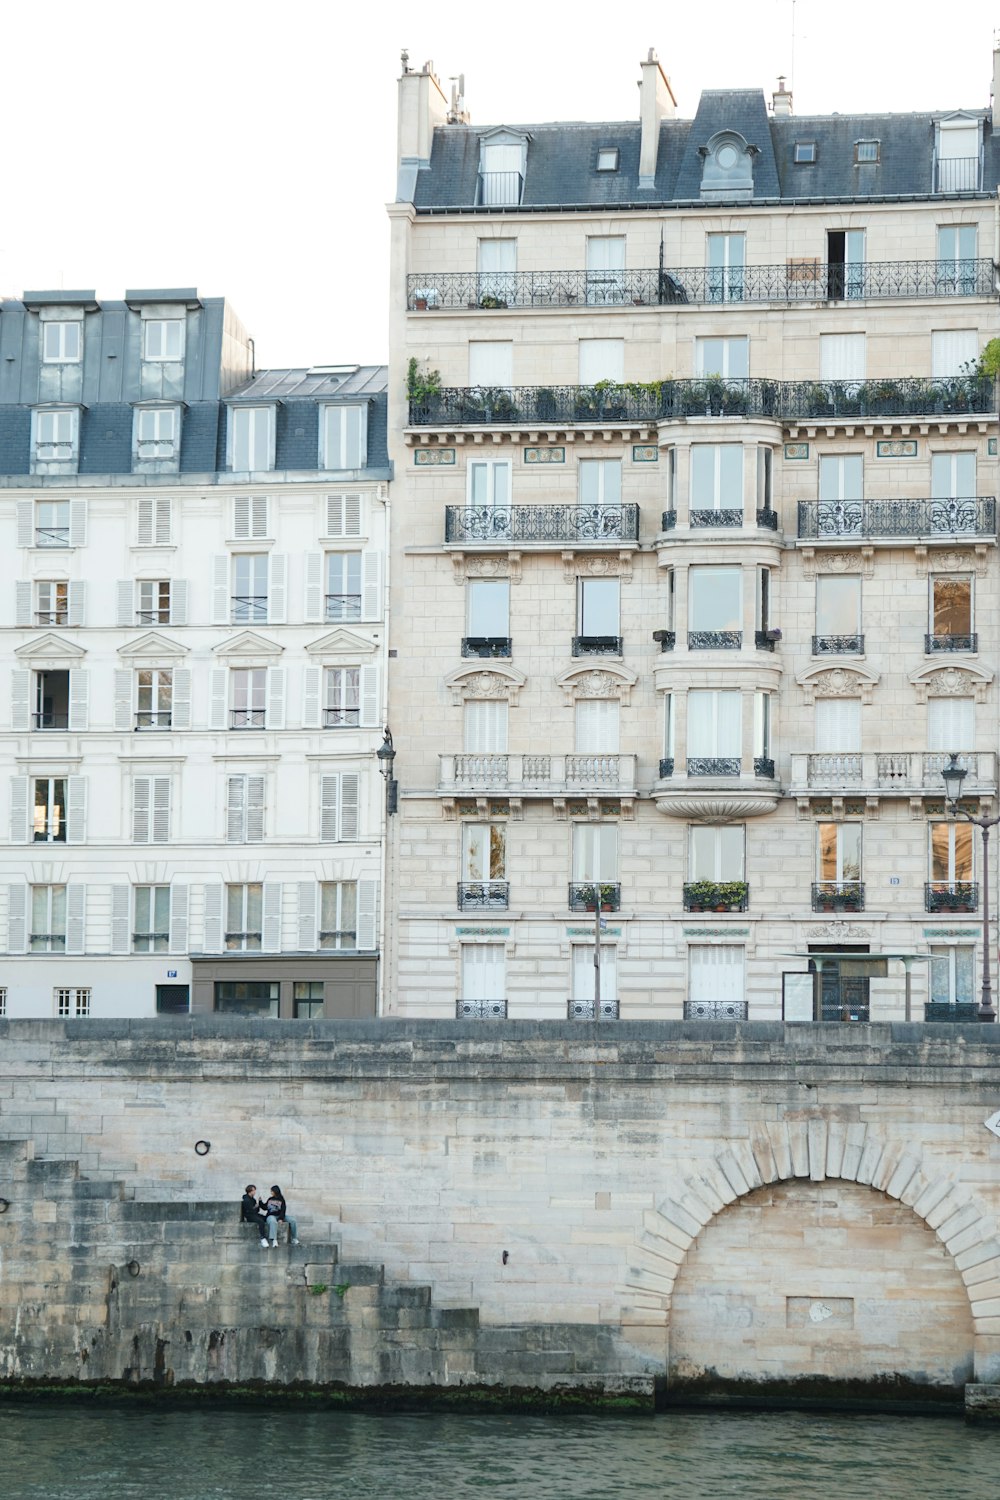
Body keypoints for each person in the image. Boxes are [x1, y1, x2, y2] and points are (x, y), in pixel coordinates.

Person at [240, 1184, 270, 1248]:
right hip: (249, 1216)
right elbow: (250, 1211)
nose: (255, 1192)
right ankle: (263, 1238)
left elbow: (257, 1210)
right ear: (250, 1191)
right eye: (253, 1190)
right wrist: (255, 1207)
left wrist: (257, 1205)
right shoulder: (246, 1200)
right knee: (261, 1222)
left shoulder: (252, 1199)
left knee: (266, 1218)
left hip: (254, 1214)